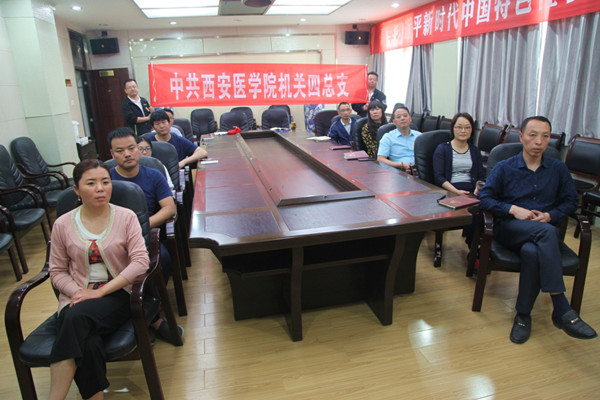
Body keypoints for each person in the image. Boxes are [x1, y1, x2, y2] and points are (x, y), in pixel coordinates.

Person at [478, 116, 597, 344]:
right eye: (533, 135)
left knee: (532, 252)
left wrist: (551, 215)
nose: (539, 141)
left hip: (541, 233)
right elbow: (484, 198)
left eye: (545, 136)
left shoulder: (558, 169)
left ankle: (523, 316)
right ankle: (560, 305)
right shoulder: (505, 167)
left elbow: (571, 201)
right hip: (511, 229)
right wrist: (513, 209)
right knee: (547, 232)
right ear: (522, 136)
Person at [48, 159, 149, 400]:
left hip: (117, 294)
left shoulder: (126, 217)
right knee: (88, 342)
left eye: (105, 182)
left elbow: (140, 261)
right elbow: (57, 271)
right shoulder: (62, 224)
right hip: (76, 296)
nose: (100, 188)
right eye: (91, 183)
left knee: (74, 318)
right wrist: (77, 292)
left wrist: (99, 292)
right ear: (76, 189)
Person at [108, 127, 182, 345]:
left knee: (163, 260)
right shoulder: (106, 179)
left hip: (146, 234)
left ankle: (152, 307)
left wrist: (139, 226)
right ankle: (145, 317)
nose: (127, 154)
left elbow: (168, 208)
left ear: (138, 149)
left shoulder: (154, 175)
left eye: (131, 148)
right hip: (112, 238)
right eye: (120, 151)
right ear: (112, 154)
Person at [432, 112, 484, 245]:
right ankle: (473, 246)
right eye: (459, 127)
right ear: (453, 128)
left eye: (467, 127)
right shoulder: (442, 149)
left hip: (471, 191)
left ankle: (477, 246)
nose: (463, 131)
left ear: (472, 130)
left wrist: (477, 188)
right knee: (472, 211)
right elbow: (439, 177)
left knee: (483, 208)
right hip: (451, 190)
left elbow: (480, 176)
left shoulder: (474, 151)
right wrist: (457, 192)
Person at [377, 106, 421, 171]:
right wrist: (402, 165)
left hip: (420, 170)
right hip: (399, 171)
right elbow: (380, 159)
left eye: (405, 116)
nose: (402, 118)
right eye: (398, 117)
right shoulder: (388, 137)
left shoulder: (420, 136)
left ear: (410, 119)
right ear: (394, 121)